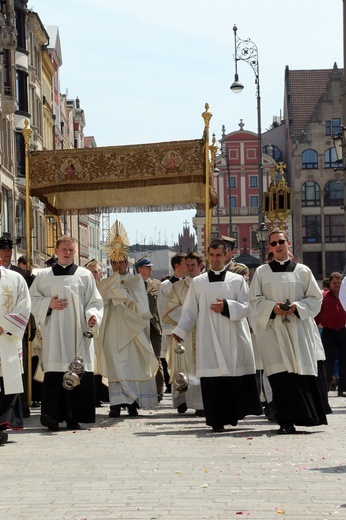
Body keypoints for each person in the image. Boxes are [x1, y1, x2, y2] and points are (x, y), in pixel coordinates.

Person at [172, 239, 262, 433]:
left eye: (219, 255)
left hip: (232, 336)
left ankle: (233, 415)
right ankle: (216, 420)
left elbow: (248, 306)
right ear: (207, 256)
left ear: (227, 255)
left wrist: (227, 306)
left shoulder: (237, 280)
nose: (215, 259)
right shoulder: (198, 282)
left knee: (232, 376)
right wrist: (181, 331)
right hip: (208, 337)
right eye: (211, 255)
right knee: (213, 377)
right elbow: (189, 311)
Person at [249, 228, 328, 434]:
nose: (278, 246)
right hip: (273, 331)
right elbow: (254, 301)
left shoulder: (303, 271)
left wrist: (297, 307)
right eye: (273, 243)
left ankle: (306, 417)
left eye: (281, 242)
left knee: (298, 374)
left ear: (288, 243)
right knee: (280, 377)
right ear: (269, 247)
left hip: (298, 329)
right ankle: (285, 421)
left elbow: (315, 298)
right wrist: (272, 308)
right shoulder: (261, 272)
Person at [30, 236, 103, 431]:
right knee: (54, 373)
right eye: (64, 249)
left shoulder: (85, 275)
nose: (67, 252)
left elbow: (94, 302)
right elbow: (31, 299)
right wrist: (48, 304)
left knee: (77, 370)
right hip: (54, 332)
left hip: (78, 332)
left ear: (76, 252)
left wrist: (92, 316)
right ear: (56, 251)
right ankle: (52, 416)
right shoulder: (44, 275)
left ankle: (75, 417)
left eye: (71, 249)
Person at [96, 221, 158, 418]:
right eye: (114, 262)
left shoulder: (136, 280)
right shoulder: (105, 282)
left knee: (132, 363)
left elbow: (141, 305)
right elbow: (100, 301)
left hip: (132, 330)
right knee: (114, 363)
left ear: (127, 262)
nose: (117, 265)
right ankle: (116, 403)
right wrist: (112, 293)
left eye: (121, 262)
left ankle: (132, 402)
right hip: (113, 328)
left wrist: (124, 296)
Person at [163, 251, 205, 415]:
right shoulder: (177, 287)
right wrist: (190, 314)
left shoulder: (206, 284)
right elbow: (170, 308)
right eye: (187, 265)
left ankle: (201, 404)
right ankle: (182, 400)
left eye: (193, 265)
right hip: (184, 333)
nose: (189, 268)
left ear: (200, 265)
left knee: (201, 366)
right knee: (182, 366)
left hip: (203, 331)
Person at [0, 257, 31, 444]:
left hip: (7, 337)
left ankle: (3, 423)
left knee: (7, 382)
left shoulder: (14, 278)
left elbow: (24, 304)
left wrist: (4, 326)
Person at [135, 256, 165, 401]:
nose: (151, 269)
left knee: (156, 358)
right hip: (139, 327)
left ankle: (159, 390)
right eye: (148, 267)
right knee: (140, 359)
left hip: (154, 327)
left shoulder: (157, 285)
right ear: (140, 269)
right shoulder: (133, 285)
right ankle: (142, 390)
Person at [158, 252, 187, 393]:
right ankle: (171, 385)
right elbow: (162, 308)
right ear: (177, 266)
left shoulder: (190, 283)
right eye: (185, 263)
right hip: (171, 329)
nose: (188, 266)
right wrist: (168, 329)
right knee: (169, 357)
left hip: (187, 330)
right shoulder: (165, 286)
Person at [315, 272, 346, 397]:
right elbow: (317, 312)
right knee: (328, 360)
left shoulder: (345, 296)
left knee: (344, 360)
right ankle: (326, 385)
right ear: (330, 283)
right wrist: (316, 324)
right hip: (329, 332)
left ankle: (342, 388)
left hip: (343, 332)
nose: (337, 285)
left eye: (339, 282)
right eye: (334, 282)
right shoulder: (324, 297)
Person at [85, 259, 108, 406]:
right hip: (89, 330)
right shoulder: (84, 287)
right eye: (90, 272)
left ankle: (103, 393)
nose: (93, 274)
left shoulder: (106, 288)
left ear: (100, 273)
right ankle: (92, 396)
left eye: (95, 272)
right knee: (91, 363)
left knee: (103, 361)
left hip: (104, 329)